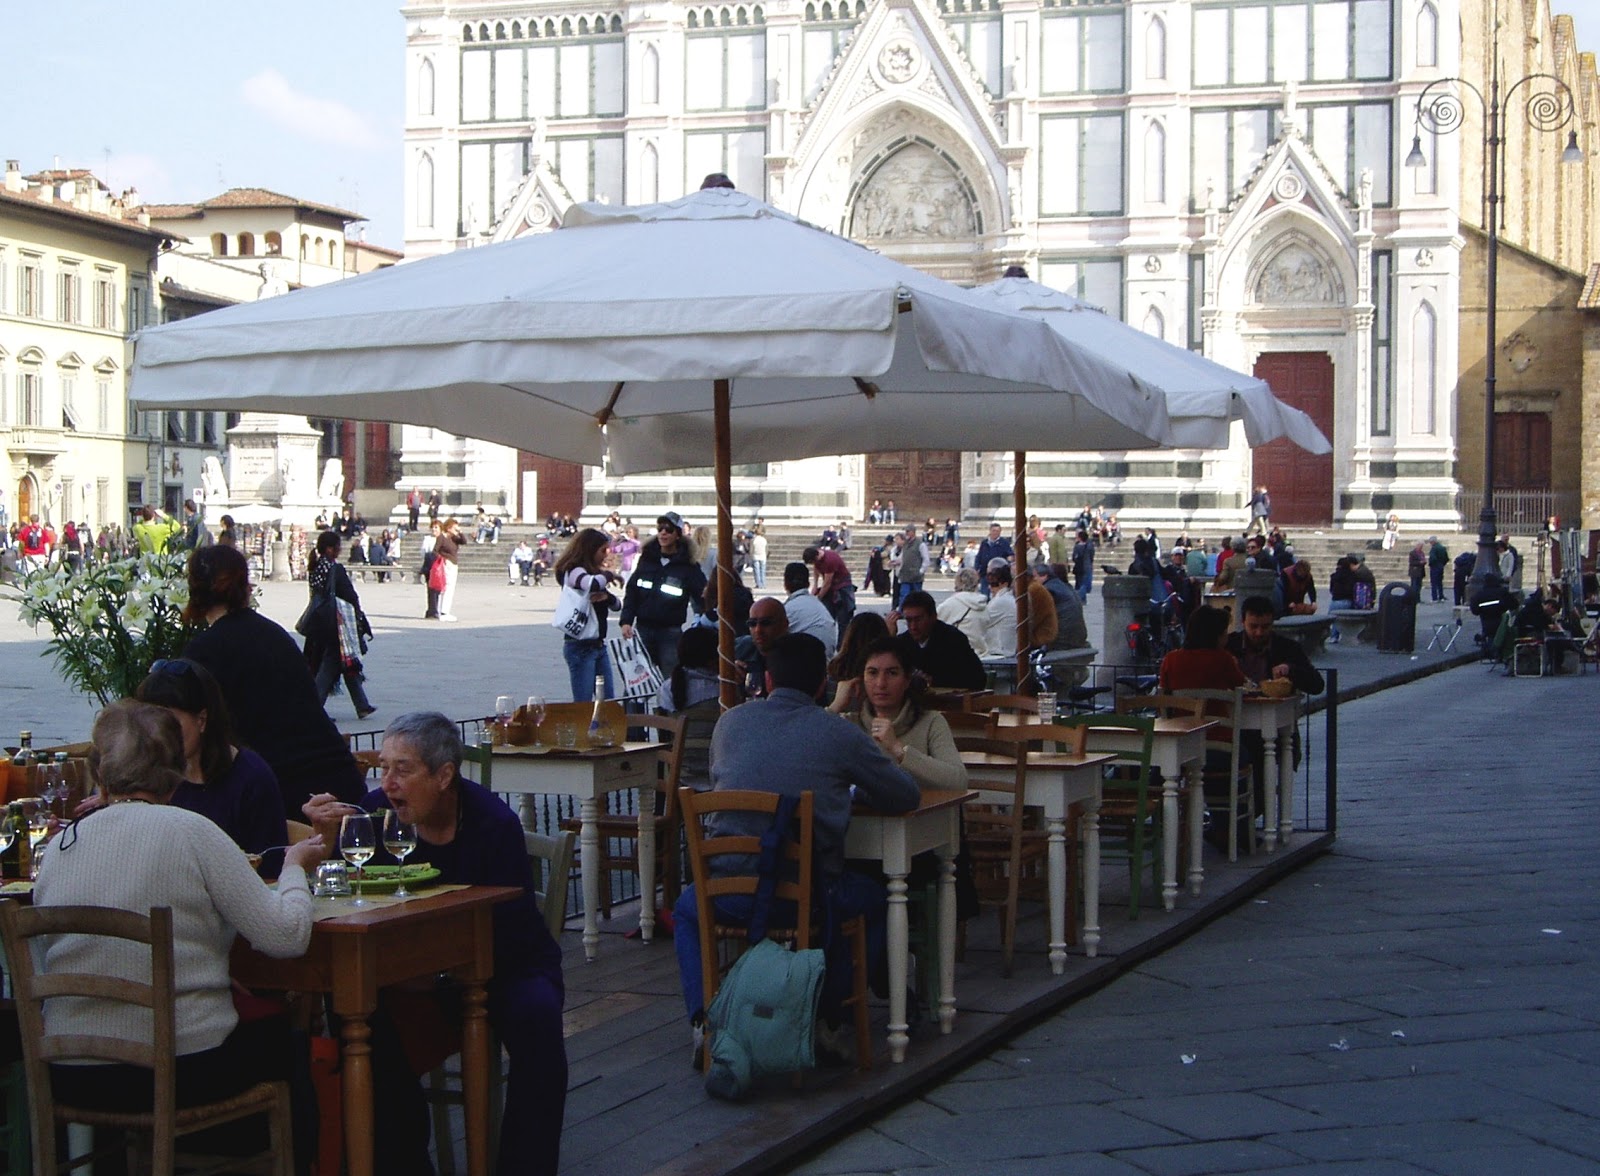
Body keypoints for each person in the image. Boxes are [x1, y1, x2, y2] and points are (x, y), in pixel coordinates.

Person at [35, 700, 320, 1140]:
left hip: (72, 1074)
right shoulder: (192, 831)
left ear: (100, 771)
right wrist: (295, 867)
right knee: (289, 1042)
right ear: (175, 771)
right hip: (176, 1073)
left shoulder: (59, 848)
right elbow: (287, 937)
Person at [304, 712, 567, 1176]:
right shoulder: (375, 815)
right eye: (383, 767)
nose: (387, 783)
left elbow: (508, 933)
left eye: (402, 769)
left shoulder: (493, 825)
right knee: (355, 1013)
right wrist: (323, 844)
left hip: (502, 966)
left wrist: (438, 973)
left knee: (538, 1019)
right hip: (409, 973)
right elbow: (345, 898)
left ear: (444, 775)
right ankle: (401, 1162)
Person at [671, 634, 919, 1049]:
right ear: (823, 685)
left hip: (727, 889)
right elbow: (904, 795)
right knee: (876, 900)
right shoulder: (837, 734)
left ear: (767, 680)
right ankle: (829, 1013)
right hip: (805, 895)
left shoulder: (730, 723)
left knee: (685, 910)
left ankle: (703, 1019)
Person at [181, 544, 366, 811]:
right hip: (339, 779)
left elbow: (190, 738)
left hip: (284, 794)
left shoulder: (204, 651)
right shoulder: (273, 634)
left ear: (194, 590)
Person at [133, 657, 290, 866]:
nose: (158, 736)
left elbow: (271, 867)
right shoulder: (145, 776)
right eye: (150, 725)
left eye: (170, 724)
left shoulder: (250, 777)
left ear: (202, 720)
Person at [831, 638, 968, 792]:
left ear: (907, 679)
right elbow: (804, 758)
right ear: (861, 678)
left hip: (922, 815)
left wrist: (899, 750)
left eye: (892, 673)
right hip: (863, 816)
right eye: (872, 673)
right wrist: (835, 707)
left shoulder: (931, 721)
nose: (881, 683)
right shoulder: (848, 722)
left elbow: (959, 781)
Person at [621, 512, 707, 680]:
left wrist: (708, 619)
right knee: (637, 683)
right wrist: (626, 621)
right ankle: (633, 708)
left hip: (670, 633)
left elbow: (702, 596)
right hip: (643, 630)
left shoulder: (688, 566)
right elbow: (632, 592)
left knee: (672, 680)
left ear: (678, 534)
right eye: (660, 528)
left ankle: (668, 707)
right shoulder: (647, 560)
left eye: (668, 529)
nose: (663, 533)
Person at [303, 530, 376, 718]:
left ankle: (362, 704)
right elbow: (349, 594)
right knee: (331, 664)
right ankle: (315, 708)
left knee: (346, 663)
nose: (339, 550)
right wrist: (358, 614)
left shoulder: (316, 566)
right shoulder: (335, 569)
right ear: (329, 549)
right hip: (335, 623)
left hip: (319, 621)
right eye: (337, 547)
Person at [554, 527, 623, 701]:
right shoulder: (574, 570)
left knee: (607, 700)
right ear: (590, 550)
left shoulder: (596, 575)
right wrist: (609, 575)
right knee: (583, 703)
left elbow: (617, 605)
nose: (605, 554)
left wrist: (606, 596)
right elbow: (590, 584)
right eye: (602, 550)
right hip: (580, 646)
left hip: (598, 644)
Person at [1225, 596, 1325, 695]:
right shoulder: (1228, 644)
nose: (1259, 632)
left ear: (1272, 623)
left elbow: (1317, 685)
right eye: (1253, 626)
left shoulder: (1287, 647)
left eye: (1265, 627)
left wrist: (1290, 670)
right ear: (1243, 622)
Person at [1157, 606, 1247, 692]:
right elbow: (1241, 685)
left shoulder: (1170, 659)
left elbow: (1163, 691)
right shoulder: (1223, 659)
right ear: (1218, 635)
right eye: (1225, 631)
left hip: (1179, 708)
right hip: (1215, 708)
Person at [735, 596, 789, 698]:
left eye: (766, 623)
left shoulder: (801, 654)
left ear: (785, 624)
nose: (758, 630)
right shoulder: (739, 649)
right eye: (752, 624)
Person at [802, 542, 856, 643]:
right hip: (831, 589)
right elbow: (816, 571)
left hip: (842, 588)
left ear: (817, 555)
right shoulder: (817, 560)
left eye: (813, 561)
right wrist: (815, 587)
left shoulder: (830, 559)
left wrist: (818, 599)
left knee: (843, 620)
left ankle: (842, 646)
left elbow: (827, 583)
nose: (813, 563)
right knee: (827, 617)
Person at [782, 560, 837, 657]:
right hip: (827, 657)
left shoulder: (788, 609)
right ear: (808, 584)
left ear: (785, 584)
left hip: (807, 661)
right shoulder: (817, 605)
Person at [1035, 562, 1090, 650]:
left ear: (1044, 576)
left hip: (1062, 641)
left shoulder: (1048, 589)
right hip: (1078, 636)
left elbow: (1036, 617)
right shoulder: (1065, 586)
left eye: (1034, 577)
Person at [435, 517, 463, 621]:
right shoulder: (442, 537)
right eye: (455, 528)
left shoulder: (454, 538)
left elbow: (463, 541)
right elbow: (435, 550)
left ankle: (445, 611)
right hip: (446, 564)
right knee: (446, 587)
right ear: (449, 528)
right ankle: (443, 612)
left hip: (454, 564)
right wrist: (443, 559)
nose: (457, 530)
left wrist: (460, 532)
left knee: (451, 587)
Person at [974, 524, 1012, 600]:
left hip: (998, 575)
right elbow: (979, 556)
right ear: (990, 531)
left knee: (997, 595)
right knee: (984, 595)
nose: (995, 533)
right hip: (985, 573)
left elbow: (1010, 555)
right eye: (994, 531)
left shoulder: (1004, 543)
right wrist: (977, 568)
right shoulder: (984, 543)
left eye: (997, 531)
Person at [895, 523, 928, 608]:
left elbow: (926, 559)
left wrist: (921, 571)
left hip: (916, 576)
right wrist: (896, 562)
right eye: (905, 531)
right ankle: (901, 611)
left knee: (917, 597)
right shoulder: (905, 544)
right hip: (905, 575)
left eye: (908, 531)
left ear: (913, 532)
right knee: (904, 595)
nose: (906, 533)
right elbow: (903, 557)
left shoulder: (920, 544)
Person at [1427, 536, 1449, 602]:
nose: (1430, 544)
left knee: (1434, 583)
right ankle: (1441, 596)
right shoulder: (1442, 547)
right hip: (1441, 566)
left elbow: (1433, 558)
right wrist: (1442, 564)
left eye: (1430, 542)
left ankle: (1434, 597)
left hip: (1435, 567)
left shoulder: (1434, 548)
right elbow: (1446, 558)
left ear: (1433, 542)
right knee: (1440, 582)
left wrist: (1431, 564)